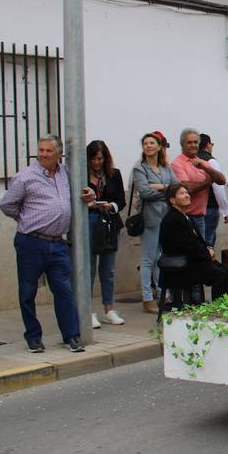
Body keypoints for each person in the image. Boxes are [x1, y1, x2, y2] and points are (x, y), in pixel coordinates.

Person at [0, 135, 94, 353]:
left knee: (64, 290)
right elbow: (7, 204)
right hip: (31, 242)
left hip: (58, 243)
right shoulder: (25, 177)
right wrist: (26, 219)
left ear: (59, 153)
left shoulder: (66, 173)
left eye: (48, 151)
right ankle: (33, 337)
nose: (43, 154)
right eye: (41, 150)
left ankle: (71, 335)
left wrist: (91, 193)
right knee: (28, 292)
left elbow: (83, 192)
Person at [159, 184, 228, 312]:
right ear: (172, 200)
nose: (187, 195)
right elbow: (187, 246)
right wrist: (206, 253)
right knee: (220, 274)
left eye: (186, 193)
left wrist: (209, 248)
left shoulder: (186, 216)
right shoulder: (172, 219)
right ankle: (220, 309)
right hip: (181, 267)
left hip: (193, 260)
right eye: (182, 193)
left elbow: (199, 239)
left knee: (225, 270)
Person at [132, 131, 177, 314]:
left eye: (152, 143)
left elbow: (176, 187)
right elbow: (144, 192)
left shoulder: (166, 167)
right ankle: (147, 298)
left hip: (166, 217)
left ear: (159, 146)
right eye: (146, 143)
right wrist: (166, 192)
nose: (148, 146)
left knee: (161, 257)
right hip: (150, 217)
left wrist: (161, 187)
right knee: (148, 259)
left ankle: (162, 293)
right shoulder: (140, 168)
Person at [86, 140, 125, 328]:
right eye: (93, 159)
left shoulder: (114, 174)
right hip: (89, 222)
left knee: (108, 270)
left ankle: (109, 309)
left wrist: (112, 205)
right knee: (88, 270)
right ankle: (88, 311)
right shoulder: (82, 175)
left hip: (109, 223)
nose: (96, 163)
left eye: (100, 159)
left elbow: (121, 200)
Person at [171, 128, 225, 240]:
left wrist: (206, 168)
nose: (193, 145)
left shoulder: (202, 162)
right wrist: (208, 182)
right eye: (189, 142)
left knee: (202, 248)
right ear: (182, 144)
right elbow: (188, 189)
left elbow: (222, 180)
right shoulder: (177, 164)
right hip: (185, 217)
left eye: (195, 142)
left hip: (200, 217)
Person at [198, 134, 228, 248]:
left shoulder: (191, 160)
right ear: (208, 145)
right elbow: (218, 188)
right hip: (210, 206)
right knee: (208, 242)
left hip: (193, 208)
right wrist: (225, 210)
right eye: (211, 144)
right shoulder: (210, 161)